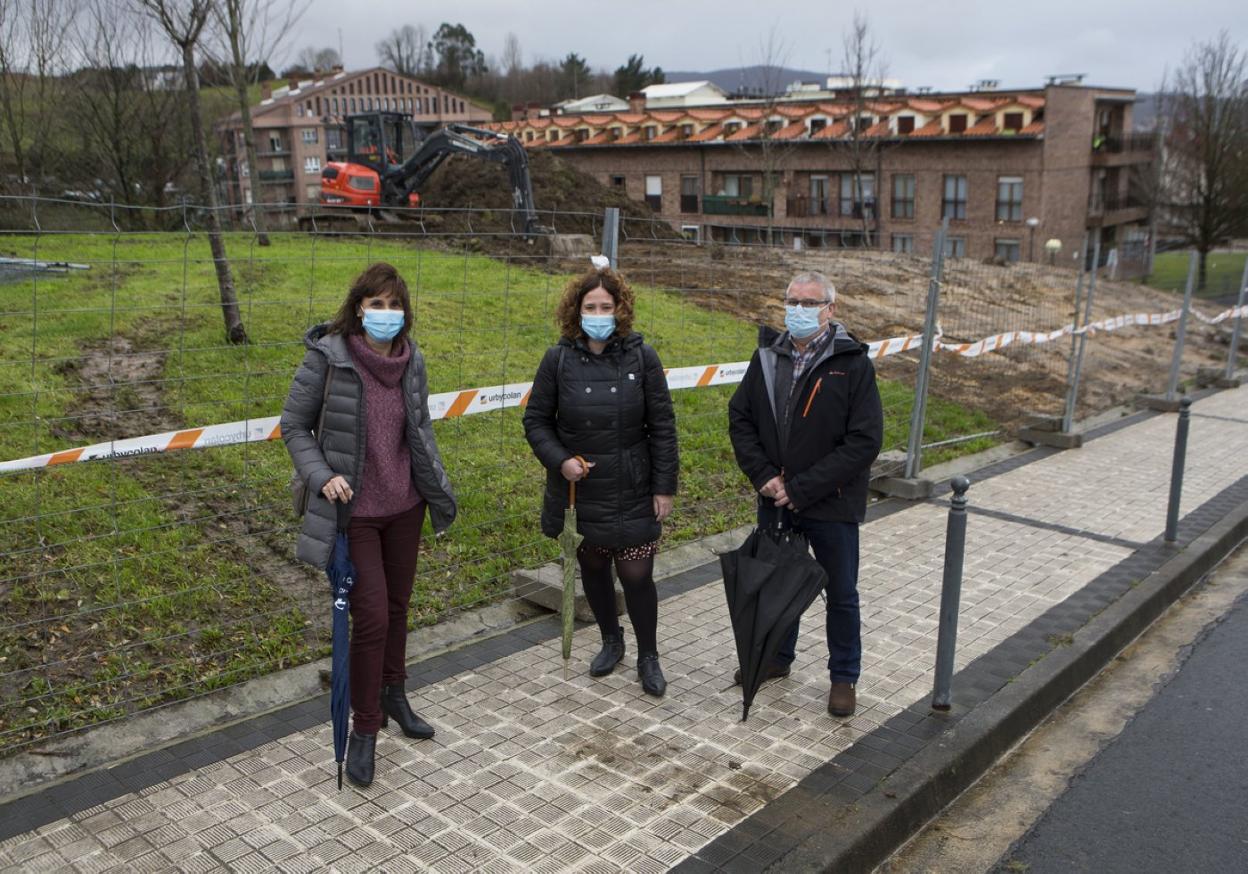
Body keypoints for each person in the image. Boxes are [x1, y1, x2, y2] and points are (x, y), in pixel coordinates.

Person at [281, 262, 457, 788]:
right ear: (359, 307)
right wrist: (321, 475)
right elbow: (293, 425)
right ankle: (365, 728)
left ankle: (394, 691)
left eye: (393, 304)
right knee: (373, 616)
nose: (385, 314)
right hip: (353, 512)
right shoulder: (329, 358)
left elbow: (418, 427)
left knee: (400, 607)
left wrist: (435, 482)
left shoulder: (411, 359)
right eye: (375, 304)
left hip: (405, 505)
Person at [727, 271, 883, 717]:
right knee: (778, 582)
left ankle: (844, 677)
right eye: (792, 301)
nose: (797, 310)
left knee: (841, 593)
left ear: (830, 310)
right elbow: (740, 418)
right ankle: (777, 657)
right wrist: (763, 476)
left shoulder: (852, 363)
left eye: (809, 303)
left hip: (831, 502)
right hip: (776, 499)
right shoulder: (768, 357)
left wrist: (803, 488)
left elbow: (864, 441)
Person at [524, 259, 678, 697]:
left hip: (632, 485)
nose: (597, 315)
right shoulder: (557, 360)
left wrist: (663, 486)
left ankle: (649, 655)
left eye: (605, 306)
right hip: (580, 489)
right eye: (589, 307)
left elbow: (663, 426)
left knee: (635, 574)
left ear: (619, 309)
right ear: (576, 312)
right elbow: (536, 421)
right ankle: (612, 640)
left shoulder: (642, 356)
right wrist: (560, 460)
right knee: (592, 567)